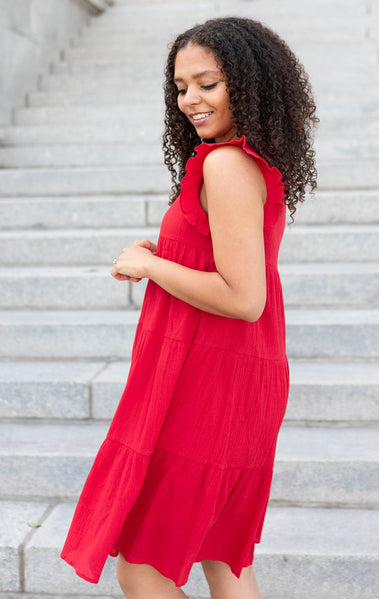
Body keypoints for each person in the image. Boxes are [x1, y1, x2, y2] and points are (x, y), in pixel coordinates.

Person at [61, 16, 318, 599]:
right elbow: (227, 264)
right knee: (225, 563)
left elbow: (244, 298)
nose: (190, 100)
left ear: (247, 85)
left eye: (207, 83)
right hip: (231, 373)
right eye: (181, 87)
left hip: (211, 382)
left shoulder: (227, 164)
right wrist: (170, 254)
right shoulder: (240, 160)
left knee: (142, 569)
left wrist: (151, 266)